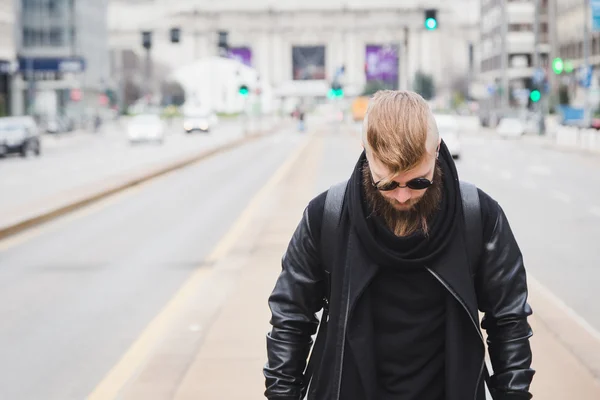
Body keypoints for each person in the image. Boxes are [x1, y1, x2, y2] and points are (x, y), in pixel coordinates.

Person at [264, 90, 534, 400]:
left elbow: (509, 321)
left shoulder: (479, 216)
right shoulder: (327, 217)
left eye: (418, 181)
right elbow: (290, 318)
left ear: (437, 150)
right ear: (366, 153)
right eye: (388, 183)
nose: (403, 196)